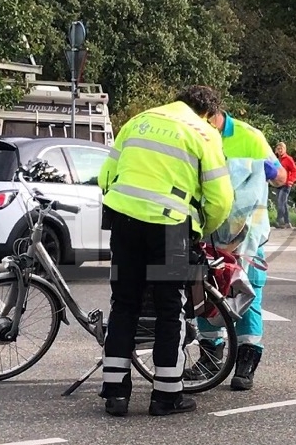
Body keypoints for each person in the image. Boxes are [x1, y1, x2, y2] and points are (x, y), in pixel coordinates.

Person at [97, 85, 233, 418]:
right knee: (170, 306)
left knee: (124, 303)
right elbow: (220, 200)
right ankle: (166, 395)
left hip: (123, 220)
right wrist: (199, 228)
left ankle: (115, 394)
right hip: (171, 228)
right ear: (207, 112)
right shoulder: (203, 133)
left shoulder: (138, 121)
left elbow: (105, 176)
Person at [188, 113, 279, 392]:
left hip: (248, 233)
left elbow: (281, 176)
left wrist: (267, 170)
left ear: (214, 112)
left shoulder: (249, 136)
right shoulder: (193, 132)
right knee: (204, 290)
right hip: (209, 230)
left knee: (246, 293)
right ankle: (210, 356)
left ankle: (245, 362)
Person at [273, 142, 296, 229]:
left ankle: (279, 221)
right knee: (282, 203)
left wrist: (291, 180)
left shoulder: (288, 159)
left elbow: (295, 171)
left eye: (281, 149)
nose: (280, 150)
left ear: (285, 149)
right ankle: (287, 222)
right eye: (278, 149)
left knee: (281, 201)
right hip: (279, 184)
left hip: (286, 184)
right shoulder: (277, 160)